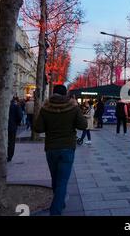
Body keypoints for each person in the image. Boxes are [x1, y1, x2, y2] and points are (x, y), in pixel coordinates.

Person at [34, 85, 87, 216]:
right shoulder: (73, 107)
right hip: (67, 148)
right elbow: (83, 125)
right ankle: (56, 211)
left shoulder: (46, 108)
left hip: (51, 148)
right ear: (66, 94)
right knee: (62, 181)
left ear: (53, 93)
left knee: (55, 178)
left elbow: (38, 128)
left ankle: (60, 202)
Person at [8, 97, 23, 162]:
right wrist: (17, 123)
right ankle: (9, 156)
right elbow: (20, 116)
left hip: (3, 127)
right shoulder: (16, 106)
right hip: (12, 126)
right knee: (11, 141)